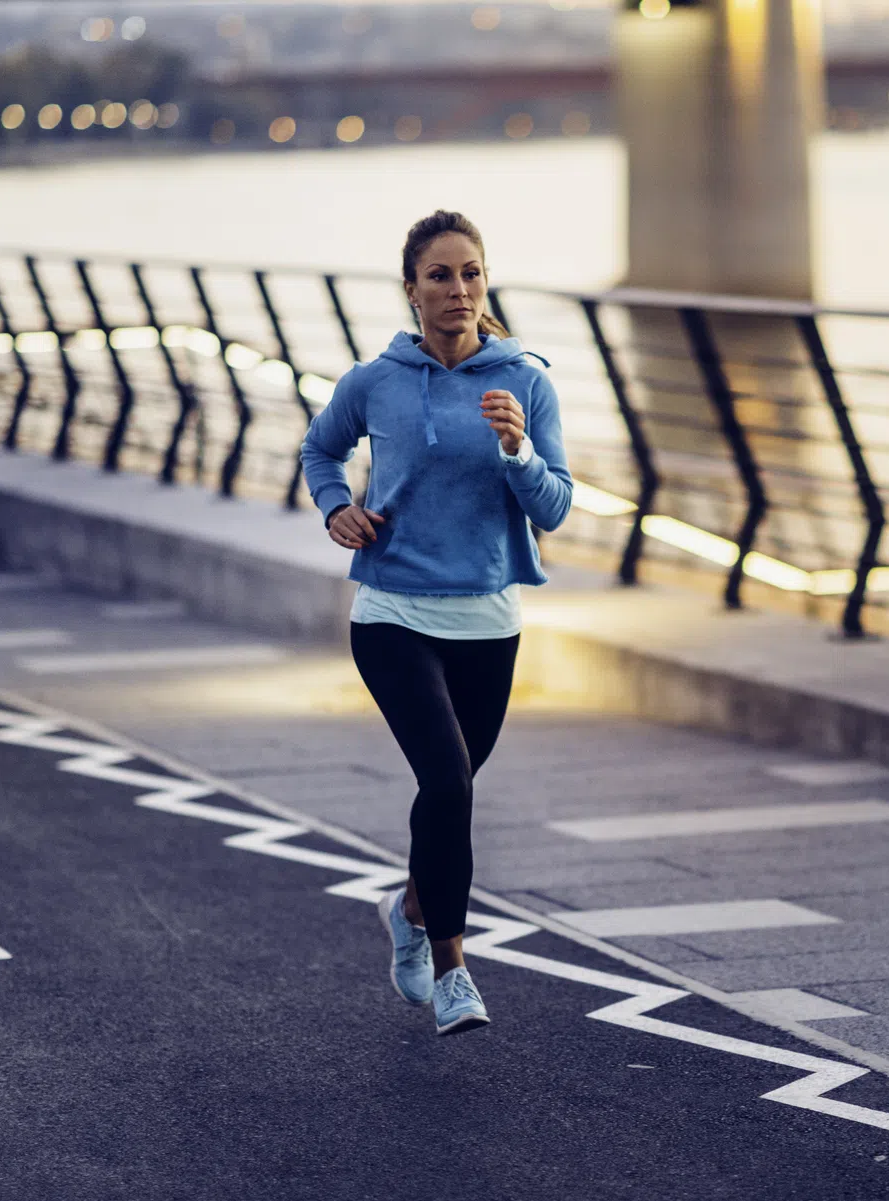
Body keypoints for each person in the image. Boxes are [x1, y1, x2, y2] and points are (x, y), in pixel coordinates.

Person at [299, 210, 572, 1036]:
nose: (459, 289)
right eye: (441, 275)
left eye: (471, 273)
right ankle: (452, 968)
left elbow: (554, 508)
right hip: (393, 610)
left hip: (488, 617)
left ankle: (411, 908)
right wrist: (336, 507)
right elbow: (319, 449)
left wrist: (519, 451)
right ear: (411, 290)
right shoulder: (374, 380)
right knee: (449, 781)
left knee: (447, 793)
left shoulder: (525, 382)